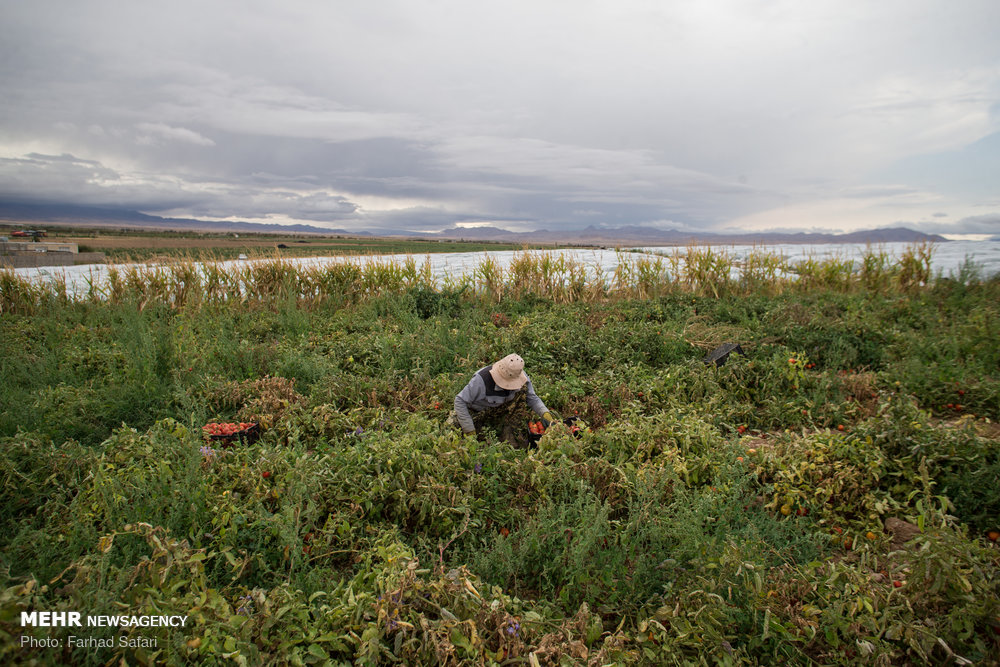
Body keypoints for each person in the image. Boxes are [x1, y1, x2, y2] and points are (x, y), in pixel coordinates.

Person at [452, 353, 554, 447]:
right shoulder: (482, 379)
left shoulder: (518, 374)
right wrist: (469, 430)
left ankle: (509, 429)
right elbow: (460, 401)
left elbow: (532, 397)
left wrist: (545, 413)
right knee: (461, 429)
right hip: (480, 411)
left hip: (500, 409)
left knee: (523, 391)